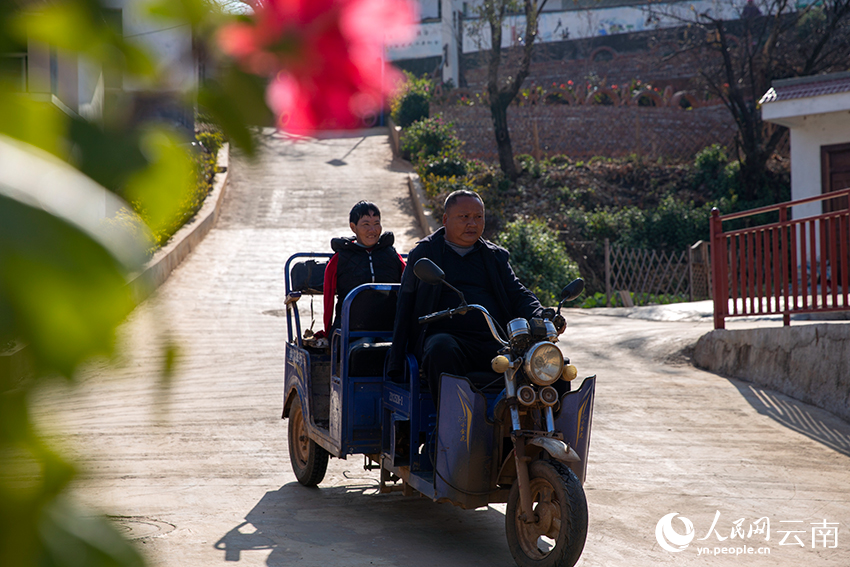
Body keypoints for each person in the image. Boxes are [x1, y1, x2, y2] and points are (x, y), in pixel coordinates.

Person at [387, 190, 544, 403]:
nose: (472, 223)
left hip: (494, 341)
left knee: (545, 359)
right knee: (440, 348)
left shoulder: (494, 256)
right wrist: (396, 362)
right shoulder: (425, 254)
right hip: (449, 341)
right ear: (445, 219)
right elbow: (404, 306)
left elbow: (517, 293)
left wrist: (541, 314)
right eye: (464, 217)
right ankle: (453, 427)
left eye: (478, 217)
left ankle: (549, 429)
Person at [322, 200, 405, 337]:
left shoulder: (392, 255)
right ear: (353, 227)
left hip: (389, 328)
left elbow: (410, 285)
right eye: (366, 224)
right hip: (352, 330)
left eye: (376, 224)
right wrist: (328, 331)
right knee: (363, 350)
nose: (372, 230)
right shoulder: (340, 258)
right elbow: (328, 299)